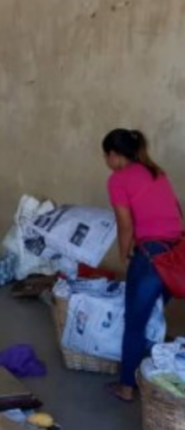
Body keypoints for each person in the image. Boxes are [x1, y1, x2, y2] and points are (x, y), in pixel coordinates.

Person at [103, 128, 183, 402]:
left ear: (114, 155)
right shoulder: (156, 172)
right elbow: (176, 209)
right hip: (176, 256)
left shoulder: (118, 179)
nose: (106, 161)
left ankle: (127, 386)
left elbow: (125, 224)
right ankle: (146, 368)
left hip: (151, 257)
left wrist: (124, 255)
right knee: (152, 314)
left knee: (135, 321)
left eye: (106, 156)